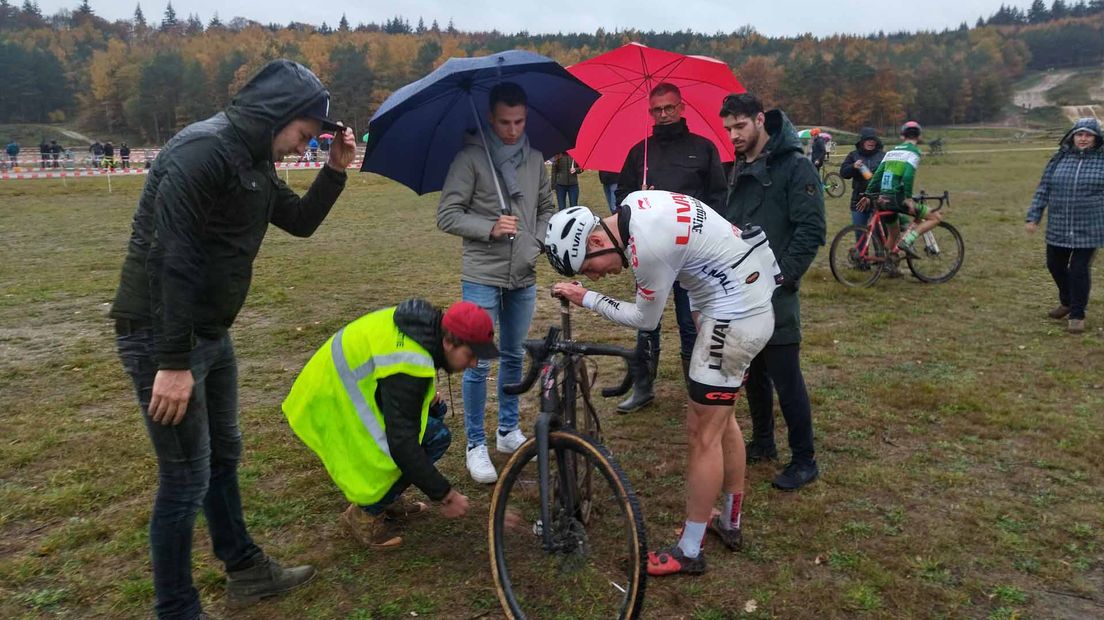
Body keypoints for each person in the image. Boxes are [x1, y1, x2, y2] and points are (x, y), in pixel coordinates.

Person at [109, 58, 356, 620]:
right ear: (277, 115)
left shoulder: (253, 158)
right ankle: (176, 609)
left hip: (210, 332)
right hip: (161, 335)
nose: (300, 148)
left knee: (223, 456)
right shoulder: (204, 152)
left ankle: (245, 569)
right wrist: (171, 362)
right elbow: (169, 257)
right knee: (184, 477)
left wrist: (335, 171)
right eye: (301, 135)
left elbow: (298, 221)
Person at [545, 192, 781, 576]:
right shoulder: (636, 204)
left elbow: (645, 319)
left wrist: (585, 296)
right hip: (742, 301)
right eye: (590, 277)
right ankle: (731, 522)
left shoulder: (648, 245)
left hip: (735, 315)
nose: (596, 275)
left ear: (596, 241)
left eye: (589, 268)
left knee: (702, 433)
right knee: (722, 423)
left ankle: (690, 551)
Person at [282, 299, 494, 548]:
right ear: (448, 342)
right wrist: (445, 494)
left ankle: (388, 497)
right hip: (330, 402)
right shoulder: (410, 364)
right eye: (470, 355)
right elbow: (402, 443)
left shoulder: (422, 329)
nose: (473, 364)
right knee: (435, 438)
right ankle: (364, 515)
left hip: (331, 388)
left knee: (433, 418)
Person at [437, 81, 556, 484]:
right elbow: (447, 214)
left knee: (513, 353)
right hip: (482, 273)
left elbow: (546, 207)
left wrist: (535, 242)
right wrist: (489, 226)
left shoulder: (536, 159)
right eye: (504, 122)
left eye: (519, 121)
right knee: (477, 360)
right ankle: (475, 443)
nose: (512, 129)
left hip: (523, 272)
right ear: (490, 118)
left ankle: (507, 430)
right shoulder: (470, 159)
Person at [719, 93, 825, 491]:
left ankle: (804, 458)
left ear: (760, 120)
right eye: (728, 128)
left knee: (785, 376)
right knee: (755, 373)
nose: (733, 136)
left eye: (740, 126)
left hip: (776, 293)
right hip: (741, 293)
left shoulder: (795, 167)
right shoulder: (738, 167)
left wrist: (782, 277)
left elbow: (810, 229)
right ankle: (763, 442)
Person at [613, 82, 727, 413]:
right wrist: (638, 198)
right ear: (650, 112)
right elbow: (621, 198)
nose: (663, 114)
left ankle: (697, 387)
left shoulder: (704, 149)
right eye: (657, 109)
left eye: (669, 108)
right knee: (646, 322)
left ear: (681, 107)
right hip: (650, 255)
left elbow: (719, 199)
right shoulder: (640, 153)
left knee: (691, 321)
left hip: (693, 255)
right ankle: (643, 386)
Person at [1025, 117, 1104, 334]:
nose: (1083, 139)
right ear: (1072, 136)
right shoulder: (1059, 159)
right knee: (1054, 264)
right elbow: (1044, 189)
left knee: (1078, 269)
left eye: (1088, 135)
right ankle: (1068, 301)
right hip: (1059, 225)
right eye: (1079, 134)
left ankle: (1077, 314)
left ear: (1096, 139)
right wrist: (1034, 216)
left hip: (1090, 228)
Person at [861, 121, 941, 259]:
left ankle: (885, 262)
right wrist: (909, 198)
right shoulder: (913, 152)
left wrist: (868, 194)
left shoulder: (891, 152)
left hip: (883, 198)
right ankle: (907, 241)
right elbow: (908, 175)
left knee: (894, 233)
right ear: (919, 136)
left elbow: (877, 176)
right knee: (935, 217)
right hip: (897, 199)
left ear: (902, 136)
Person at [838, 128, 886, 236]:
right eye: (868, 140)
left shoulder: (883, 156)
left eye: (873, 140)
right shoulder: (853, 155)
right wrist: (853, 166)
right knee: (860, 234)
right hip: (858, 199)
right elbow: (843, 173)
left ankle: (880, 253)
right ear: (862, 141)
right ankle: (861, 253)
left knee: (879, 234)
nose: (871, 142)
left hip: (877, 199)